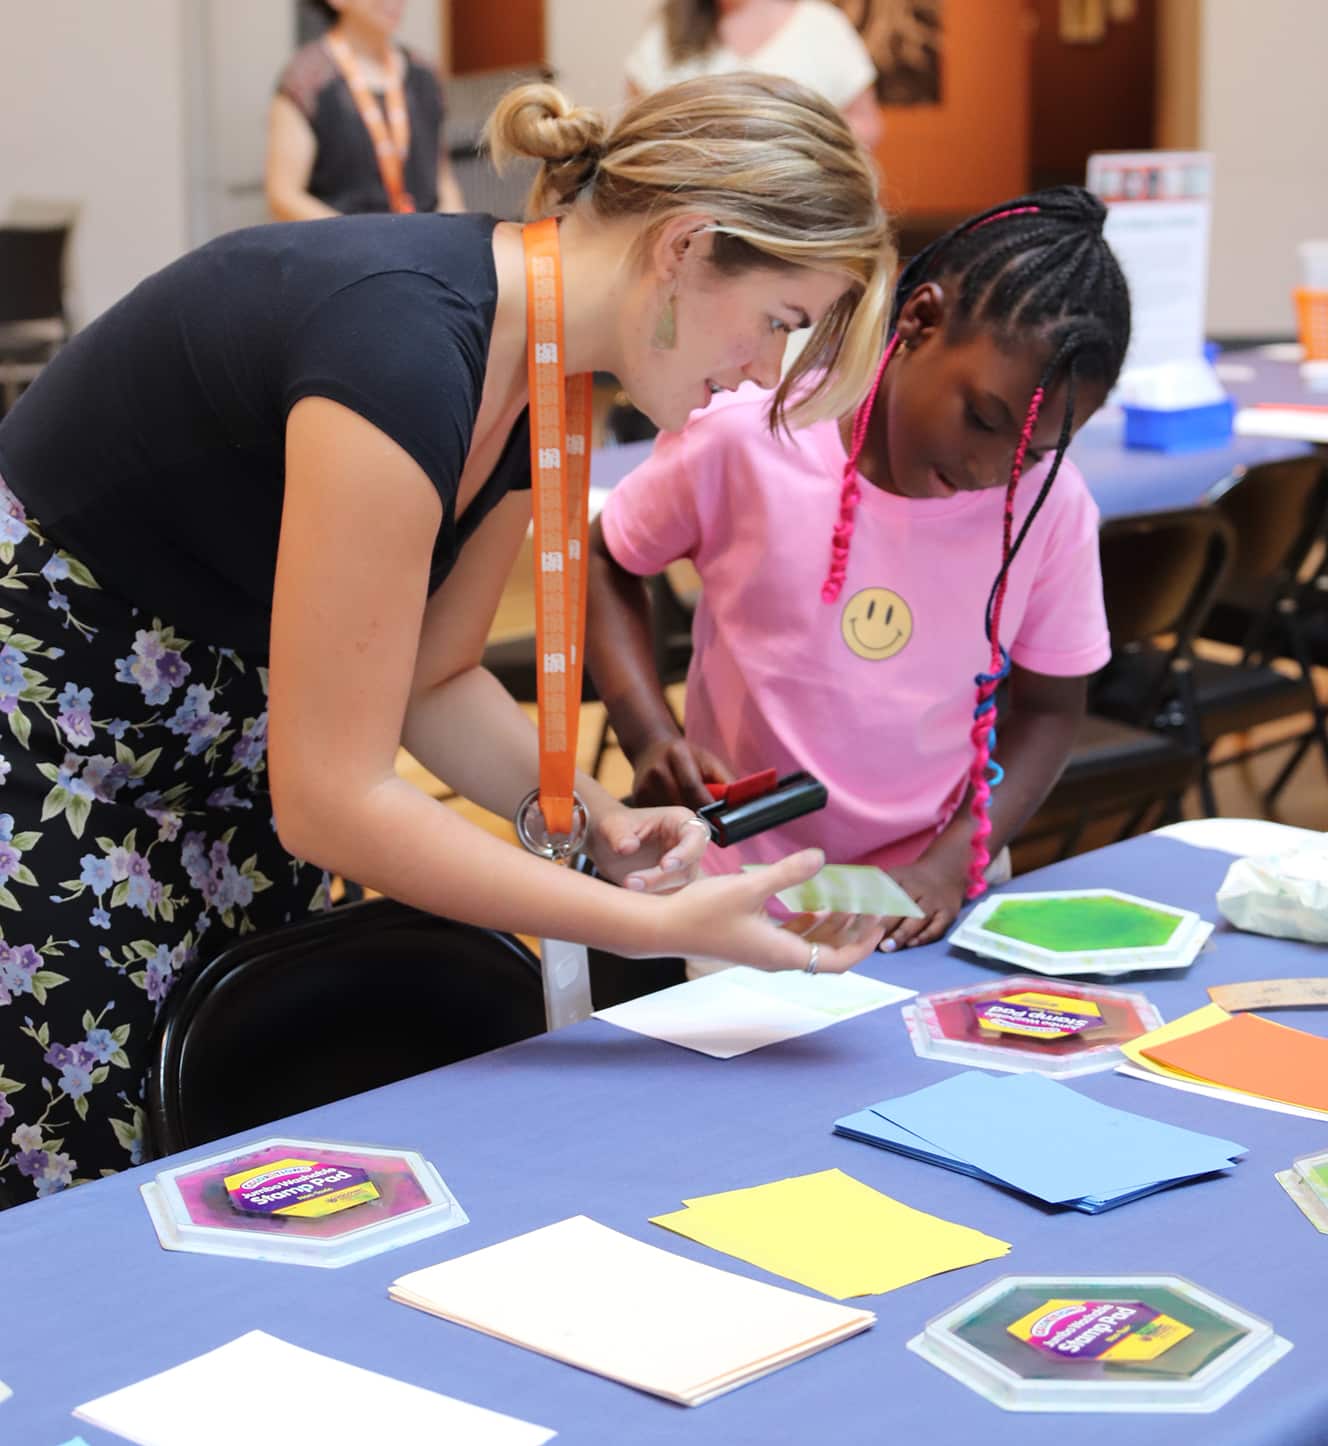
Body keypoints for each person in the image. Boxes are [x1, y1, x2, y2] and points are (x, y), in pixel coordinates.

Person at [0, 74, 892, 1205]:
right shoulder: (401, 346)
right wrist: (641, 921)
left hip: (206, 770)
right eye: (779, 322)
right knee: (87, 1204)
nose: (765, 371)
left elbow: (431, 677)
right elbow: (334, 799)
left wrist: (603, 825)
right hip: (47, 777)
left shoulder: (541, 371)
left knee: (230, 1159)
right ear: (683, 247)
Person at [586, 186, 1131, 955]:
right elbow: (606, 555)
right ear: (920, 320)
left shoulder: (1052, 505)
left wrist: (949, 864)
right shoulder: (754, 433)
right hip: (738, 888)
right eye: (981, 418)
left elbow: (1049, 711)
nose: (989, 469)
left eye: (1032, 452)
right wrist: (646, 733)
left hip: (931, 894)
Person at [267, 0, 465, 221]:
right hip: (343, 247)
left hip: (421, 243)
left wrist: (454, 235)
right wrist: (362, 243)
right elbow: (284, 196)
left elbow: (442, 179)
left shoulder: (425, 74)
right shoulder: (306, 80)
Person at [625, 0, 882, 150]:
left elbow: (866, 125)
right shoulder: (667, 31)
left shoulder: (821, 25)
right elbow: (637, 129)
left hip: (806, 209)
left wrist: (797, 145)